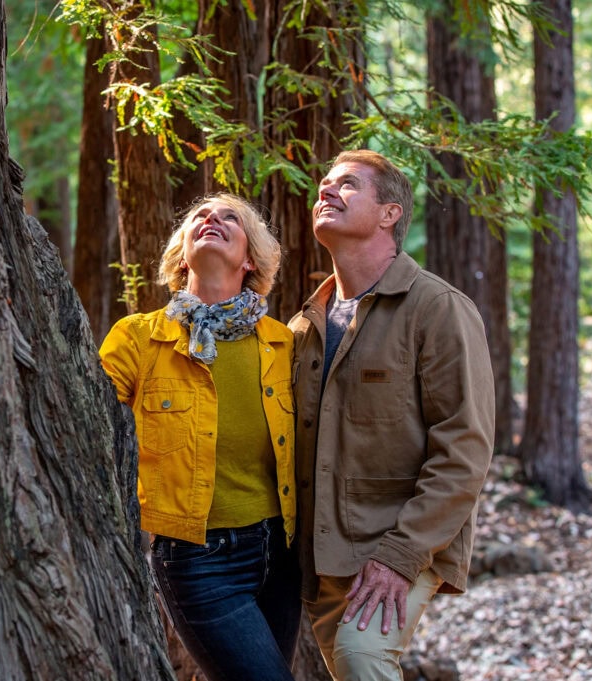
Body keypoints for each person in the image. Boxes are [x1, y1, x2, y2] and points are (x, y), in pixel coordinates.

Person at [289, 150, 494, 680]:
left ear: (389, 213)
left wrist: (400, 555)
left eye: (347, 184)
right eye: (324, 183)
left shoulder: (438, 308)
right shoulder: (303, 326)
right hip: (320, 550)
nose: (325, 191)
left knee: (362, 656)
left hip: (399, 539)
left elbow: (465, 449)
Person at [99, 194, 300, 681]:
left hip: (282, 552)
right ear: (183, 255)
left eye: (231, 218)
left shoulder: (283, 342)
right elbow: (88, 427)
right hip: (197, 557)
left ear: (250, 260)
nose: (212, 219)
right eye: (200, 217)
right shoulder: (137, 339)